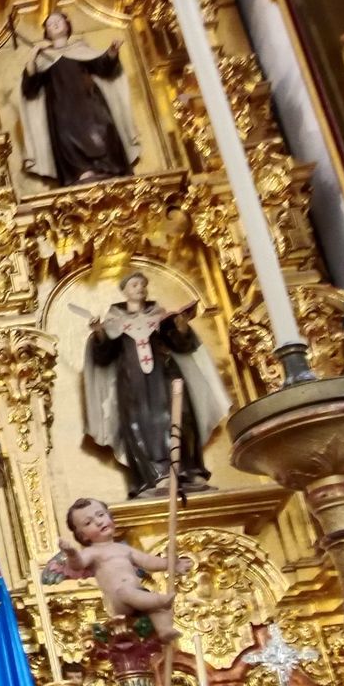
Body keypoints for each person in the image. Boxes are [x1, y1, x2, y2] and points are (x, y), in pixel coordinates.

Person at [81, 271, 229, 498]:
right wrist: (99, 333)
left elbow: (182, 345)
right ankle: (157, 474)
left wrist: (181, 326)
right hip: (133, 384)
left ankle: (188, 470)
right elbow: (103, 355)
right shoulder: (115, 322)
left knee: (181, 417)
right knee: (141, 424)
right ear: (125, 290)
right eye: (134, 284)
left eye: (142, 284)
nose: (139, 288)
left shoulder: (160, 317)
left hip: (166, 376)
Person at [20, 12, 142, 186]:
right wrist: (32, 57)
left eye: (58, 21)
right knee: (68, 140)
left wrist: (112, 52)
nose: (54, 24)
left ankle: (109, 169)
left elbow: (104, 68)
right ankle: (82, 173)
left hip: (90, 103)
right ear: (46, 32)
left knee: (103, 132)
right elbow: (30, 88)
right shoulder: (44, 59)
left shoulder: (81, 50)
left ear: (67, 25)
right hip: (62, 111)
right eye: (49, 23)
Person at [49, 498, 191, 642]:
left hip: (139, 595)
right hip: (119, 599)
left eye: (101, 515)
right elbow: (77, 564)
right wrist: (71, 553)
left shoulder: (123, 549)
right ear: (82, 535)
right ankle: (159, 601)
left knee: (156, 610)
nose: (98, 522)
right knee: (130, 593)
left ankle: (164, 630)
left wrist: (172, 564)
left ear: (110, 517)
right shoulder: (92, 552)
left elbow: (148, 562)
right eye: (88, 522)